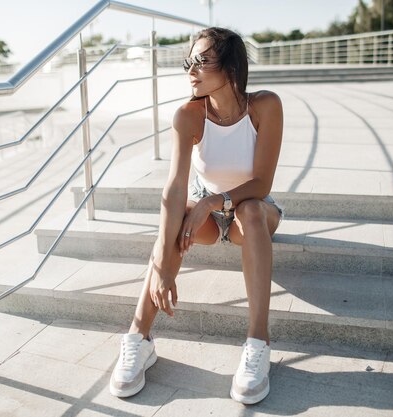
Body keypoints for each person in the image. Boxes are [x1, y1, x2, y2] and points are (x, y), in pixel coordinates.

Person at [109, 27, 284, 405]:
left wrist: (215, 201)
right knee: (178, 218)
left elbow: (262, 181)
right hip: (206, 210)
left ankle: (258, 344)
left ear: (232, 67)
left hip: (253, 208)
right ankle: (139, 338)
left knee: (251, 212)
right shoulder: (189, 115)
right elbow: (174, 189)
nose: (191, 70)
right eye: (189, 61)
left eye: (202, 61)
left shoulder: (265, 106)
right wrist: (161, 265)